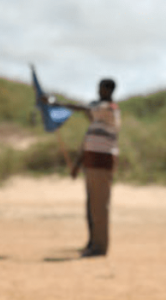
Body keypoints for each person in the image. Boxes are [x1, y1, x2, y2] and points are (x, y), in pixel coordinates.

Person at [51, 79, 121, 257]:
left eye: (102, 88)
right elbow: (86, 145)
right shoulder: (95, 124)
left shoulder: (110, 109)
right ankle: (92, 242)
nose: (98, 91)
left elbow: (85, 108)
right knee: (91, 207)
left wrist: (57, 103)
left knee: (99, 207)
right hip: (91, 165)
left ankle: (100, 247)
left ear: (109, 90)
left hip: (101, 164)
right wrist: (77, 165)